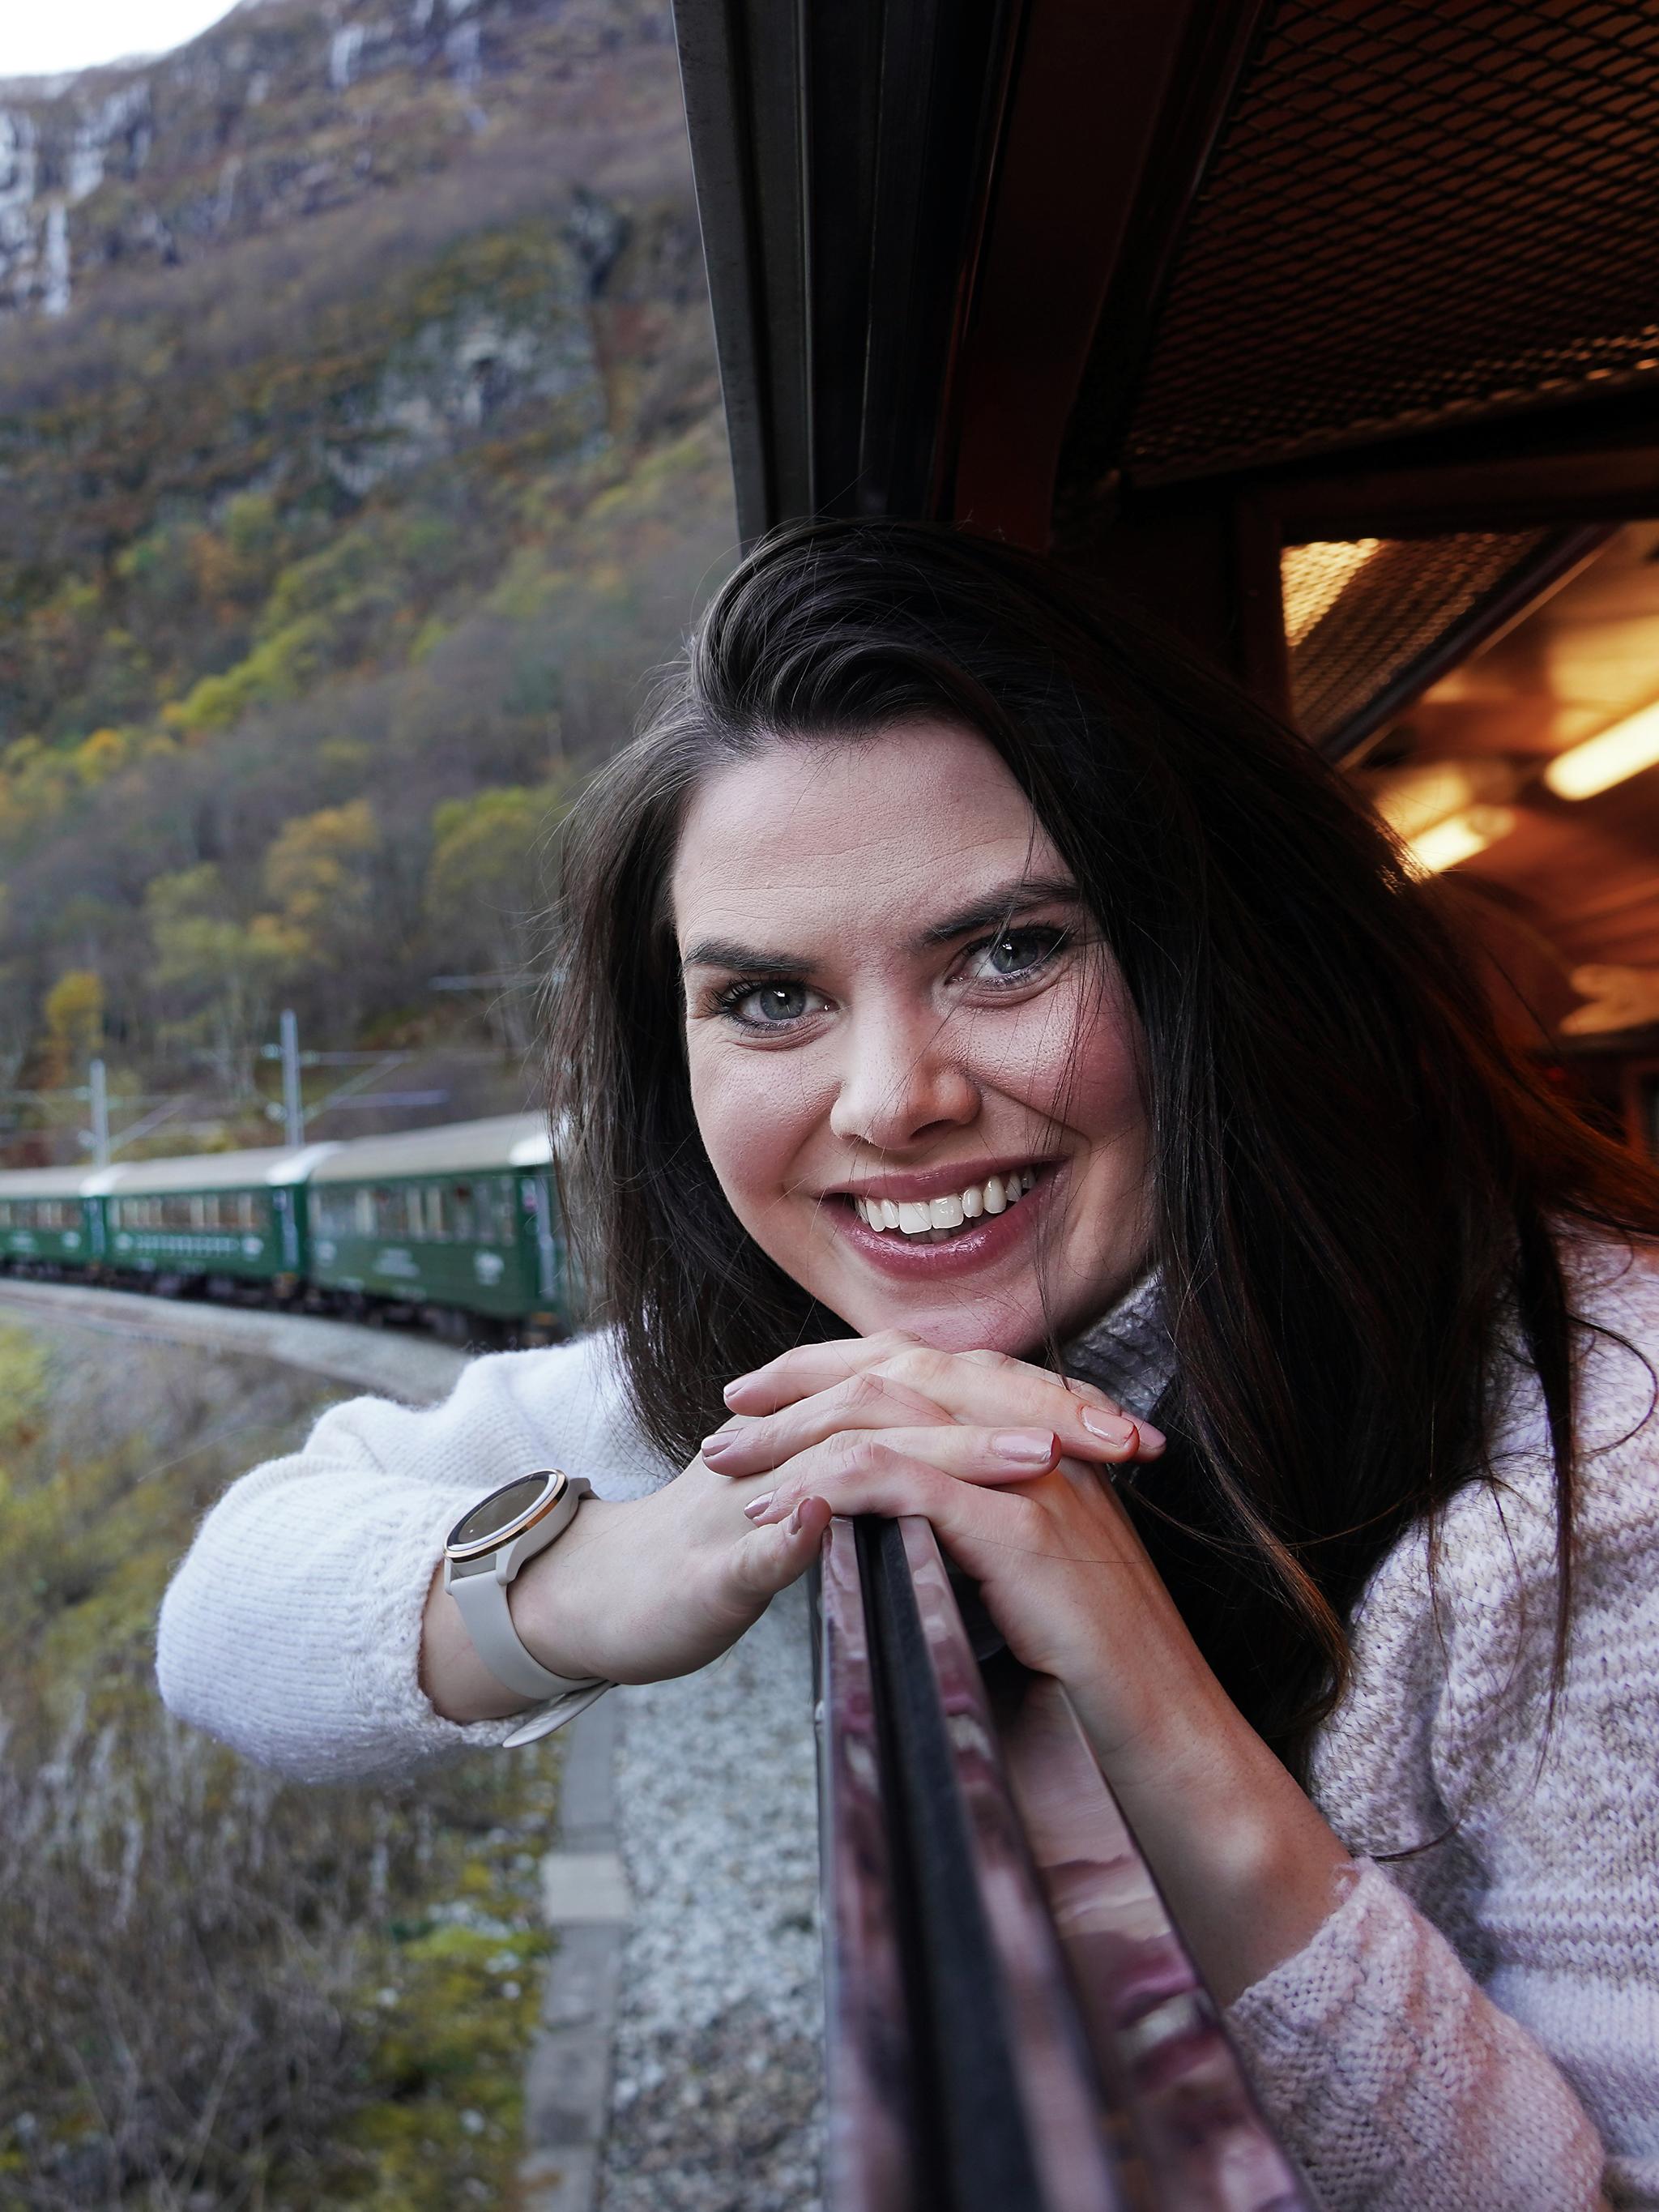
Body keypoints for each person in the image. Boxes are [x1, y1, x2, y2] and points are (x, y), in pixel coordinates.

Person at [158, 519, 1659, 2211]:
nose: (888, 1098)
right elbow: (222, 1616)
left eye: (1010, 950)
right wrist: (614, 1569)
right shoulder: (803, 1377)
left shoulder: (1600, 1442)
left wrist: (1160, 1717)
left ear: (1218, 958)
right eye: (772, 1001)